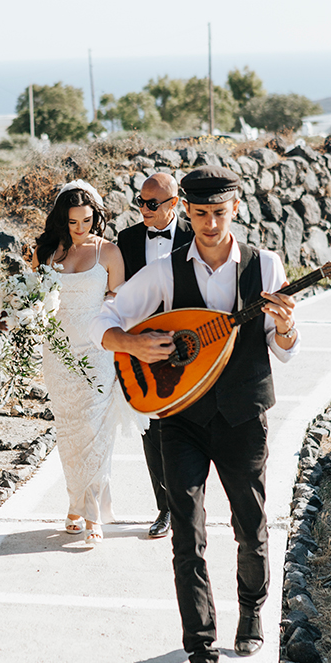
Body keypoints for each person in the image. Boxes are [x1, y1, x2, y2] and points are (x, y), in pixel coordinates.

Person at [90, 166, 300, 663]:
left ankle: (251, 606)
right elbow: (104, 319)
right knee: (188, 535)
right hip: (178, 417)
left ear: (236, 210)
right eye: (200, 213)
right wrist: (129, 345)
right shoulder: (163, 271)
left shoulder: (265, 265)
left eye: (219, 213)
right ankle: (202, 658)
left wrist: (284, 325)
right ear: (185, 210)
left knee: (250, 525)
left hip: (241, 416)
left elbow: (285, 347)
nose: (209, 224)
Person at [32, 179, 145, 545]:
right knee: (68, 431)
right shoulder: (48, 253)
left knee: (96, 428)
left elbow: (120, 305)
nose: (81, 229)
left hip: (97, 350)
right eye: (72, 222)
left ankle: (91, 510)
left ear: (96, 216)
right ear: (62, 221)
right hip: (59, 353)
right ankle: (73, 502)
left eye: (86, 220)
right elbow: (37, 301)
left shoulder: (108, 253)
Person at [117, 172, 192, 540]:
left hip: (190, 345)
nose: (143, 210)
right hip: (144, 347)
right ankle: (164, 508)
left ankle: (189, 505)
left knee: (191, 425)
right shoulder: (127, 240)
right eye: (140, 202)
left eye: (152, 203)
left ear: (174, 204)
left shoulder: (196, 239)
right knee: (154, 430)